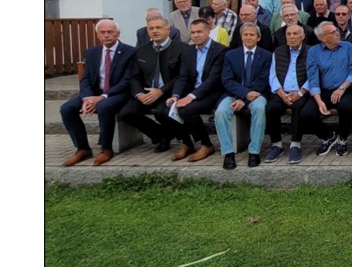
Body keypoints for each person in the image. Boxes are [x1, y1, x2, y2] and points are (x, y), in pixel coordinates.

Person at [60, 19, 136, 167]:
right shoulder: (92, 52)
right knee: (67, 109)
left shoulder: (130, 52)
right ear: (98, 35)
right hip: (94, 94)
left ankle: (106, 149)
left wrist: (102, 97)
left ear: (118, 34)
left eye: (110, 32)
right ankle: (83, 148)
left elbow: (127, 81)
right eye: (103, 32)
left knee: (104, 106)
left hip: (118, 94)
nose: (106, 35)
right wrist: (87, 98)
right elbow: (86, 78)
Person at [162, 19, 228, 163]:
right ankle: (186, 143)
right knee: (168, 110)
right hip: (193, 91)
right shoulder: (188, 51)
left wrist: (190, 97)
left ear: (208, 32)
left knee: (187, 110)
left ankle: (206, 144)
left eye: (199, 32)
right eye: (193, 32)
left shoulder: (220, 51)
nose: (196, 35)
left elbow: (213, 80)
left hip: (213, 92)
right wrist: (175, 95)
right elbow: (183, 77)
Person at [118, 16, 186, 153]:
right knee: (126, 113)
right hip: (147, 92)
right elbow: (135, 77)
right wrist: (139, 94)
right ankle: (160, 134)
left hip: (170, 92)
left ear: (168, 29)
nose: (155, 31)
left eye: (158, 27)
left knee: (161, 113)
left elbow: (182, 76)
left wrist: (161, 91)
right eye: (151, 28)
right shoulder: (141, 50)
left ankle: (166, 138)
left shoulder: (182, 48)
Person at [214, 23, 272, 169]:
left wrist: (244, 98)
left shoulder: (267, 56)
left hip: (257, 93)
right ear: (241, 37)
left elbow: (263, 80)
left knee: (259, 109)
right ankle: (228, 152)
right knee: (221, 112)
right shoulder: (230, 55)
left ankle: (254, 152)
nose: (248, 37)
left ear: (258, 37)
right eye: (245, 35)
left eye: (252, 34)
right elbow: (227, 80)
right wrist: (244, 94)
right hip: (233, 94)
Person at [306, 20, 352, 157]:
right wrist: (319, 101)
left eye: (337, 30)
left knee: (345, 108)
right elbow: (312, 78)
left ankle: (343, 138)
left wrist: (342, 88)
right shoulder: (313, 51)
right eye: (333, 32)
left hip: (346, 88)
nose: (338, 33)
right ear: (323, 38)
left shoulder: (347, 47)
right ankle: (328, 136)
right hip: (324, 91)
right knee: (306, 114)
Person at [264, 24, 313, 164]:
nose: (292, 37)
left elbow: (314, 75)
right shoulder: (278, 51)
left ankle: (295, 145)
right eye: (289, 34)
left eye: (295, 34)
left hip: (302, 91)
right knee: (271, 108)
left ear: (302, 36)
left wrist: (300, 92)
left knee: (298, 107)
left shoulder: (311, 51)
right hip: (282, 92)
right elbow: (272, 75)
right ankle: (276, 145)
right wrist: (281, 93)